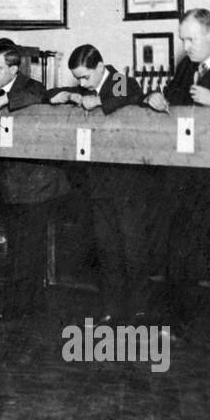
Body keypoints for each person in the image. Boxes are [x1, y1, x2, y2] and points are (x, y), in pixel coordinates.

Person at [0, 39, 69, 313]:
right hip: (13, 185)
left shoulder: (29, 86)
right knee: (19, 247)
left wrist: (6, 98)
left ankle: (19, 307)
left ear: (14, 68)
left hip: (39, 185)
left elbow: (42, 95)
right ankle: (27, 304)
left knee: (28, 249)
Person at [48, 45, 149, 322]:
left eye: (85, 77)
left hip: (128, 187)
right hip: (100, 186)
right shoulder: (85, 89)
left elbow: (127, 94)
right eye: (77, 79)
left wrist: (96, 100)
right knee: (108, 251)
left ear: (101, 66)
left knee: (134, 253)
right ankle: (112, 310)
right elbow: (50, 95)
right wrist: (71, 94)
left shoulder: (120, 81)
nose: (82, 83)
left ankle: (139, 313)